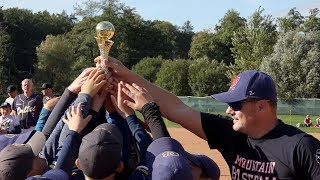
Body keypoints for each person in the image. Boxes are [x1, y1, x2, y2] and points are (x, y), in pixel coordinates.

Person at [101, 56, 320, 179]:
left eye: (235, 104)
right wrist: (126, 74)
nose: (228, 110)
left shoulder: (301, 147)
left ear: (261, 106)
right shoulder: (231, 134)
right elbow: (177, 109)